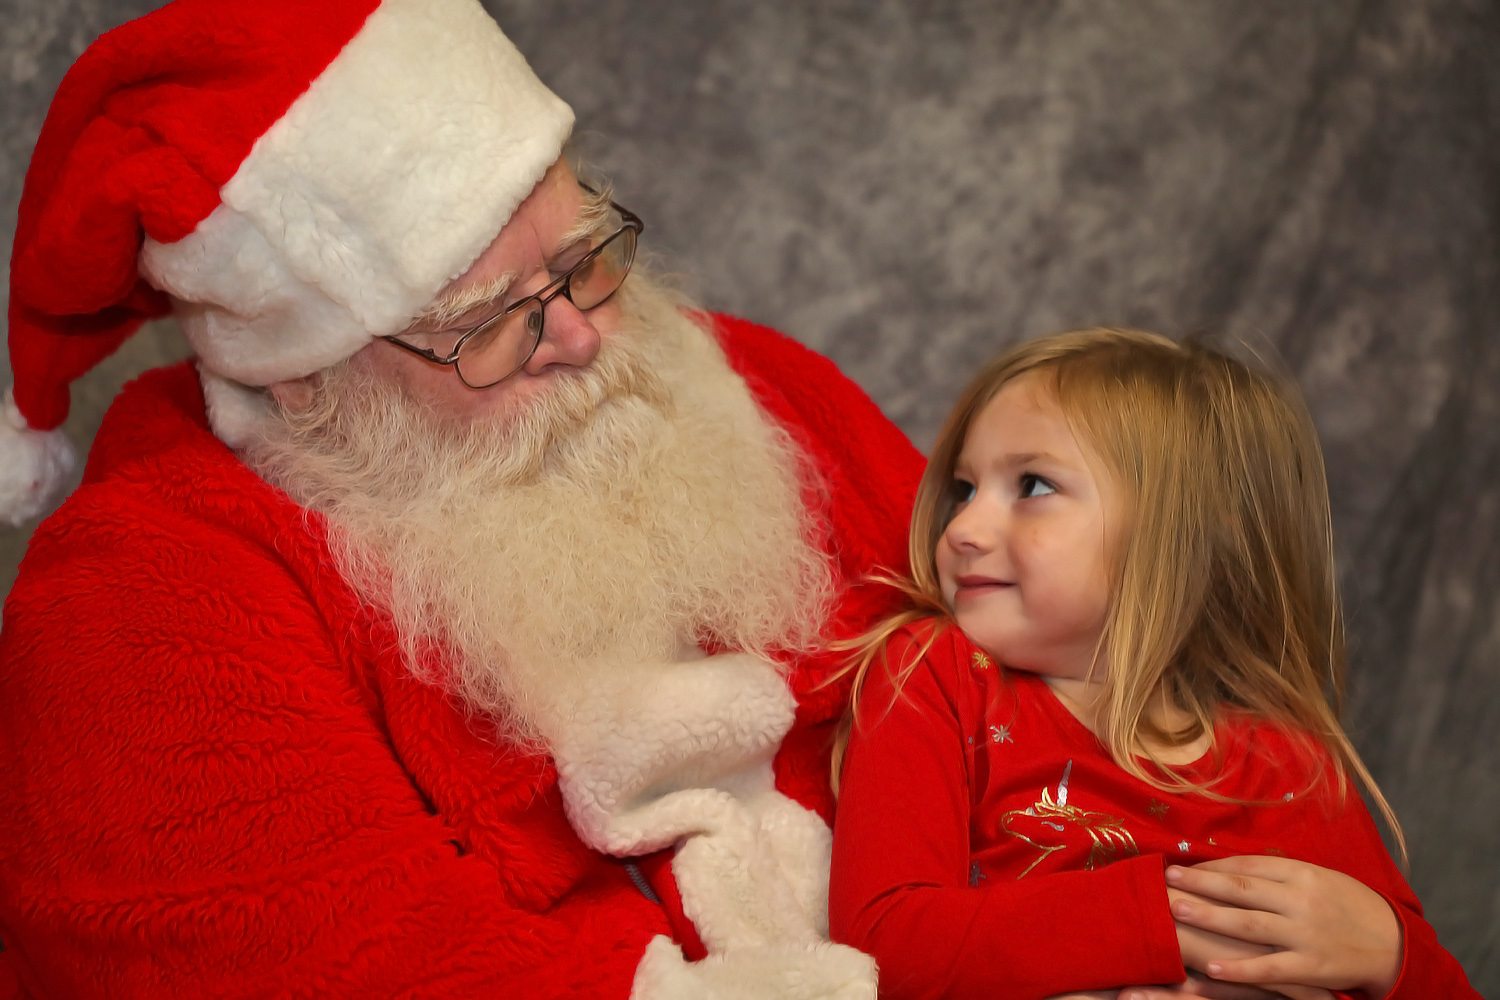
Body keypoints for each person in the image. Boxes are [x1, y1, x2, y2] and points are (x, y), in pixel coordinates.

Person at [0, 0, 923, 996]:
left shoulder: (734, 379)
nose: (579, 337)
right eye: (489, 322)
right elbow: (343, 965)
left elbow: (1028, 659)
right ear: (303, 382)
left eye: (584, 262)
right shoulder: (137, 596)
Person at [827, 329, 1481, 1000]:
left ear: (1183, 533)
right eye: (964, 490)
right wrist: (1160, 922)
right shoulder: (931, 675)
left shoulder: (1286, 764)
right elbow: (884, 942)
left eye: (1032, 485)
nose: (961, 528)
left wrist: (1388, 950)